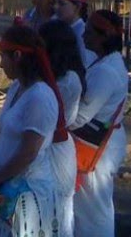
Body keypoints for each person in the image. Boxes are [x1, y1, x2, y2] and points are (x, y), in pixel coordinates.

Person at [0, 24, 68, 237]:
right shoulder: (16, 88)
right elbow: (3, 134)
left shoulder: (40, 97)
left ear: (17, 56)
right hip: (6, 184)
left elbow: (29, 152)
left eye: (3, 57)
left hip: (28, 192)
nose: (0, 64)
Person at [70, 10, 129, 237]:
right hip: (101, 138)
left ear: (103, 37)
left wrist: (59, 119)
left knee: (93, 207)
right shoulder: (107, 62)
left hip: (99, 146)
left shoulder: (106, 71)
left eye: (88, 32)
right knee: (91, 204)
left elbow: (82, 116)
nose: (83, 36)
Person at [39, 20, 87, 237]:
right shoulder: (51, 77)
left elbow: (54, 118)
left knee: (57, 210)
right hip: (48, 146)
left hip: (55, 150)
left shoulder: (68, 80)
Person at [54, 0, 96, 67]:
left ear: (77, 7)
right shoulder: (61, 30)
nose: (55, 7)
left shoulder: (83, 36)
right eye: (56, 3)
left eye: (61, 4)